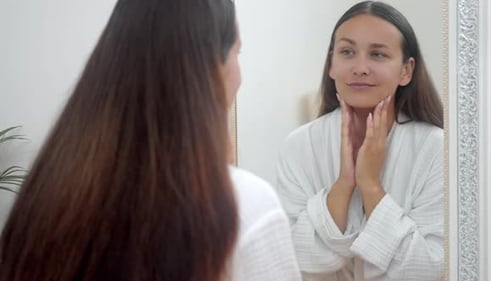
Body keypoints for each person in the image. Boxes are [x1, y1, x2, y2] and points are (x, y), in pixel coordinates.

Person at [0, 0, 301, 280]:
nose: (240, 73)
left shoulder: (46, 192)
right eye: (237, 52)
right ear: (211, 70)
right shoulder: (244, 205)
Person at [275, 1, 444, 280]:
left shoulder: (436, 149)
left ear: (406, 70)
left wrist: (370, 185)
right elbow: (294, 259)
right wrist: (344, 184)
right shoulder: (299, 145)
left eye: (377, 54)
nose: (360, 67)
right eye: (347, 52)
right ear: (331, 64)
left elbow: (427, 268)